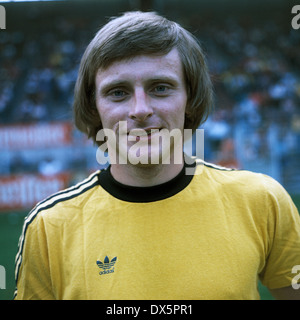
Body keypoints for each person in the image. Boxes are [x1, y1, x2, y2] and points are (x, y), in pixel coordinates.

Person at [14, 11, 300, 300]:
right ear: (93, 108)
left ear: (190, 98)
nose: (140, 109)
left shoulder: (262, 200)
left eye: (160, 88)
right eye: (117, 92)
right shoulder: (49, 227)